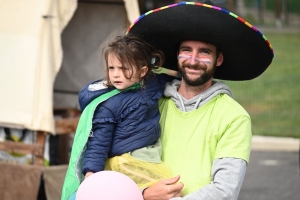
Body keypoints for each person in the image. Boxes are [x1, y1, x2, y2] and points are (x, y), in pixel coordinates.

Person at [127, 0, 274, 199]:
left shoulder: (234, 117)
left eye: (204, 52)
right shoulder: (153, 104)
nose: (193, 60)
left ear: (218, 59)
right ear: (178, 54)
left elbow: (225, 190)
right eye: (187, 50)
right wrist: (144, 193)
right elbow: (129, 159)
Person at [61, 34, 178, 200]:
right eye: (112, 68)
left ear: (143, 71)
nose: (116, 74)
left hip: (147, 154)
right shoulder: (108, 105)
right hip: (126, 160)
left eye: (124, 69)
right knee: (163, 191)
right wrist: (91, 173)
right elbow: (99, 142)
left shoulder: (152, 84)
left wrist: (182, 81)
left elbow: (168, 79)